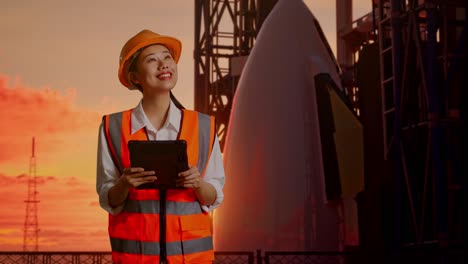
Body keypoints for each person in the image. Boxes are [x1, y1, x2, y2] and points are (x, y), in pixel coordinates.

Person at [96, 29, 225, 264]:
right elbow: (108, 198)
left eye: (167, 57)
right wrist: (124, 184)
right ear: (134, 77)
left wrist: (198, 184)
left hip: (192, 259)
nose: (163, 65)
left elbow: (214, 196)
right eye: (152, 60)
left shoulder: (204, 126)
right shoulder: (112, 127)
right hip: (136, 258)